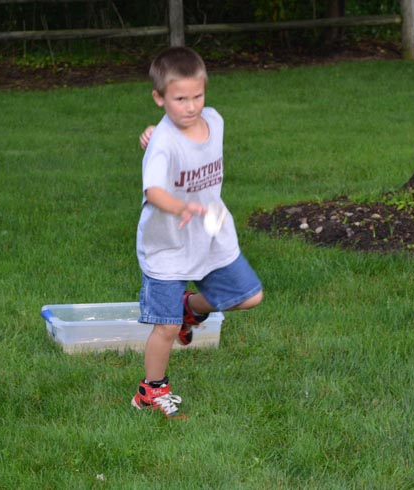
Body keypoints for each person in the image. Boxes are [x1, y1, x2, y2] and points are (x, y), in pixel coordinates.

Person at [132, 46, 263, 418]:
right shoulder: (161, 142)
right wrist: (180, 206)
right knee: (166, 328)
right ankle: (151, 391)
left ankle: (192, 308)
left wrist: (159, 129)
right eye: (179, 99)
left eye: (197, 96)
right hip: (167, 245)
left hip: (209, 234)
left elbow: (189, 134)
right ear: (159, 98)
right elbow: (153, 191)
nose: (190, 107)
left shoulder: (216, 120)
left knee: (249, 296)